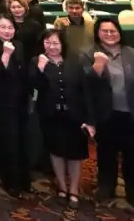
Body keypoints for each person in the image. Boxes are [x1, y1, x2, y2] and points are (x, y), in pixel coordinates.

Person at [85, 19, 134, 212]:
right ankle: (106, 188)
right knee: (106, 156)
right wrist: (97, 66)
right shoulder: (88, 55)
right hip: (107, 116)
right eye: (104, 31)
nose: (109, 34)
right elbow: (86, 86)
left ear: (119, 32)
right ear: (97, 33)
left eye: (113, 31)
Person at [31, 29, 93, 209]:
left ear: (62, 44)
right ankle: (62, 187)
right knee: (56, 151)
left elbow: (85, 91)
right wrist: (40, 68)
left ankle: (73, 189)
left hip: (74, 115)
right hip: (51, 115)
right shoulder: (37, 61)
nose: (51, 47)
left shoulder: (74, 62)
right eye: (47, 42)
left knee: (75, 154)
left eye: (55, 43)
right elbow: (32, 86)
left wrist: (89, 118)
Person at [0, 13, 33, 197]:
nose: (7, 31)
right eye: (2, 27)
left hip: (20, 98)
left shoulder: (19, 44)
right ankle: (11, 182)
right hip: (1, 101)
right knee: (8, 141)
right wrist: (6, 53)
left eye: (10, 27)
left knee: (22, 140)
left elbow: (23, 71)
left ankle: (25, 180)